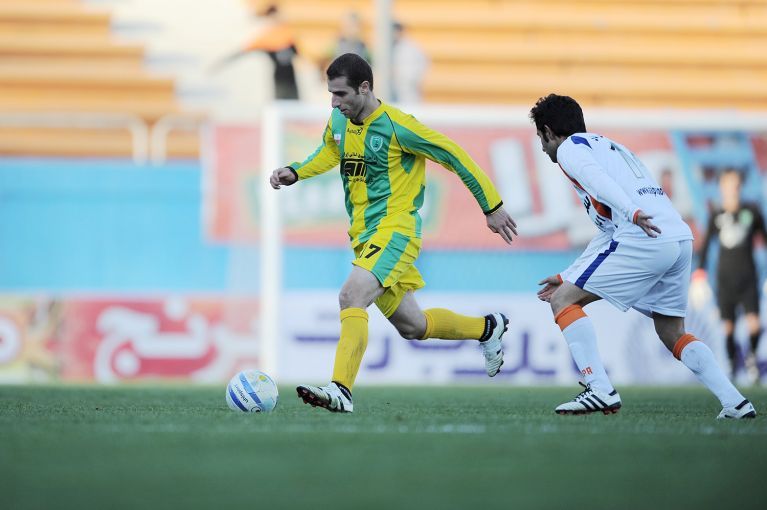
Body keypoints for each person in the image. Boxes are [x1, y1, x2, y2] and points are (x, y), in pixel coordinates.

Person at [270, 53, 518, 413]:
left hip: (395, 231)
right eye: (331, 94)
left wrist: (491, 206)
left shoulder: (399, 127)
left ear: (365, 88)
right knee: (413, 326)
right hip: (363, 237)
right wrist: (296, 171)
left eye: (341, 94)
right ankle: (487, 328)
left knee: (351, 296)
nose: (334, 103)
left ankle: (341, 389)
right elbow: (330, 150)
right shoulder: (339, 121)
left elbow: (453, 154)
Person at [530, 93, 756, 419]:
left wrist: (631, 211)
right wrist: (569, 275)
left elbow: (600, 184)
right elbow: (608, 232)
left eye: (541, 138)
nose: (542, 148)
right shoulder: (611, 148)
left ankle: (600, 389)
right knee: (672, 332)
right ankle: (735, 402)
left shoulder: (569, 150)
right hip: (677, 238)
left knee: (562, 300)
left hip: (644, 236)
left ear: (549, 132)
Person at [697, 169, 766, 384]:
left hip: (748, 278)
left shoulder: (751, 212)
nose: (732, 189)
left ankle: (752, 357)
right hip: (725, 279)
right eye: (728, 185)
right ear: (721, 188)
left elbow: (764, 238)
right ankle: (731, 364)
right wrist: (699, 273)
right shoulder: (717, 215)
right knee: (728, 328)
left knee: (754, 324)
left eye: (735, 185)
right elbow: (706, 246)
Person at [212, 4, 299, 100]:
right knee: (283, 98)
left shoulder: (288, 32)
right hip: (280, 77)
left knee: (292, 98)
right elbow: (243, 50)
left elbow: (300, 51)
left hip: (290, 75)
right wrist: (221, 63)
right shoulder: (267, 37)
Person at [391, 21, 429, 103]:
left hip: (408, 88)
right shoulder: (387, 47)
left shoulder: (411, 49)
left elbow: (421, 67)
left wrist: (398, 73)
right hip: (392, 88)